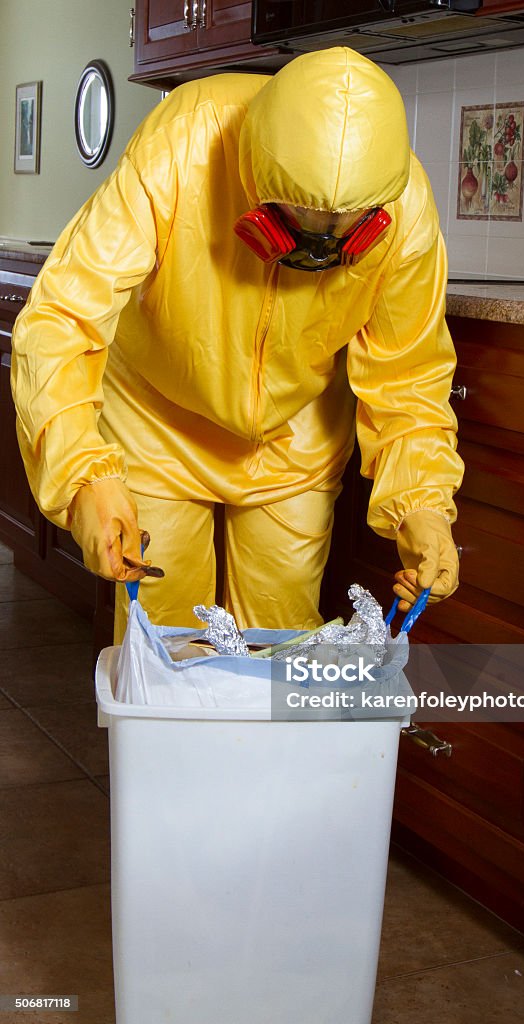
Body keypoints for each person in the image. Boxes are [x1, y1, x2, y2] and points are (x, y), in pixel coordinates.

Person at [11, 46, 464, 643]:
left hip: (293, 436)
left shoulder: (404, 208)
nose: (318, 247)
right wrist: (82, 476)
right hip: (157, 418)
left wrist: (423, 506)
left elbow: (408, 375)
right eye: (296, 220)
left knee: (282, 639)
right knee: (167, 639)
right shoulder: (183, 143)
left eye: (342, 229)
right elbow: (61, 318)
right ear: (254, 174)